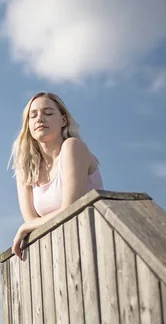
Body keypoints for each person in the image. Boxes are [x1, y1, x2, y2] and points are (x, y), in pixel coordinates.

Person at [9, 91, 104, 259]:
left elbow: (71, 209)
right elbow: (31, 221)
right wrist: (28, 225)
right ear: (28, 125)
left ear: (63, 120)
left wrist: (24, 227)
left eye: (48, 113)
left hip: (94, 244)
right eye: (33, 115)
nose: (40, 118)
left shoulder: (72, 147)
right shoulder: (25, 168)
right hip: (58, 253)